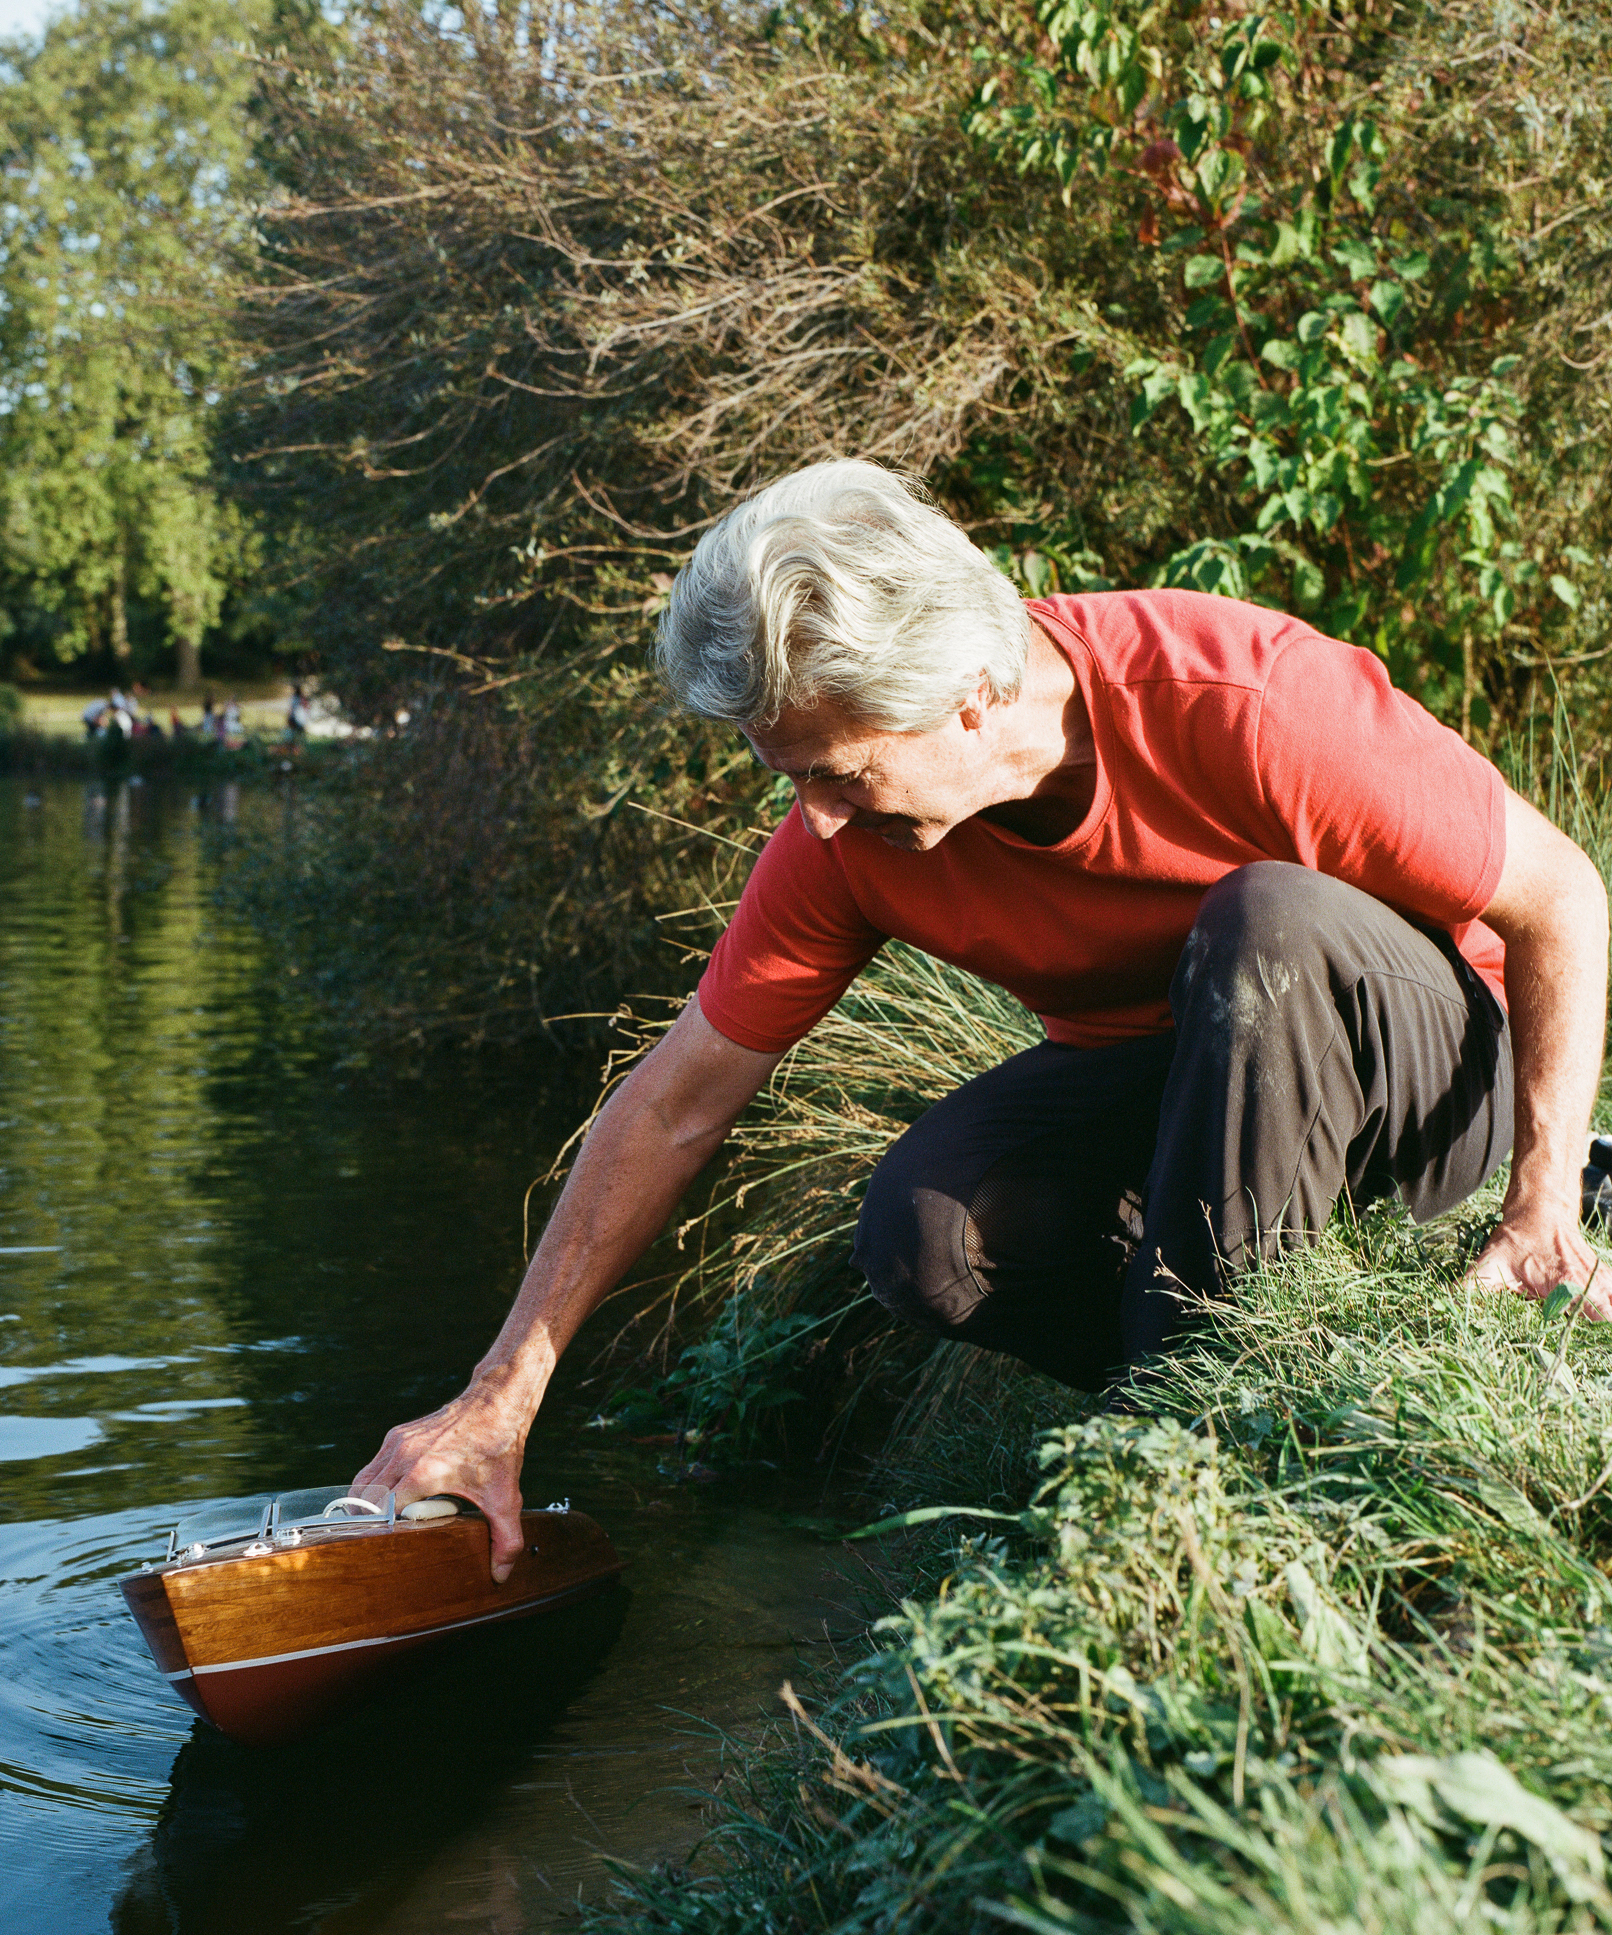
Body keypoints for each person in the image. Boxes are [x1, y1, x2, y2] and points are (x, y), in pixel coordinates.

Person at [353, 460, 1610, 1579]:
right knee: (926, 1230)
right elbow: (678, 1100)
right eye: (791, 778)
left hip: (1430, 1090)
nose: (817, 817)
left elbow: (1560, 898)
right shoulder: (843, 842)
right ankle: (1225, 1369)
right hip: (1194, 1092)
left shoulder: (1244, 699)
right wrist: (503, 1389)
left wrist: (1540, 1204)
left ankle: (1191, 1443)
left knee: (1263, 921)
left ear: (967, 695)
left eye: (835, 772)